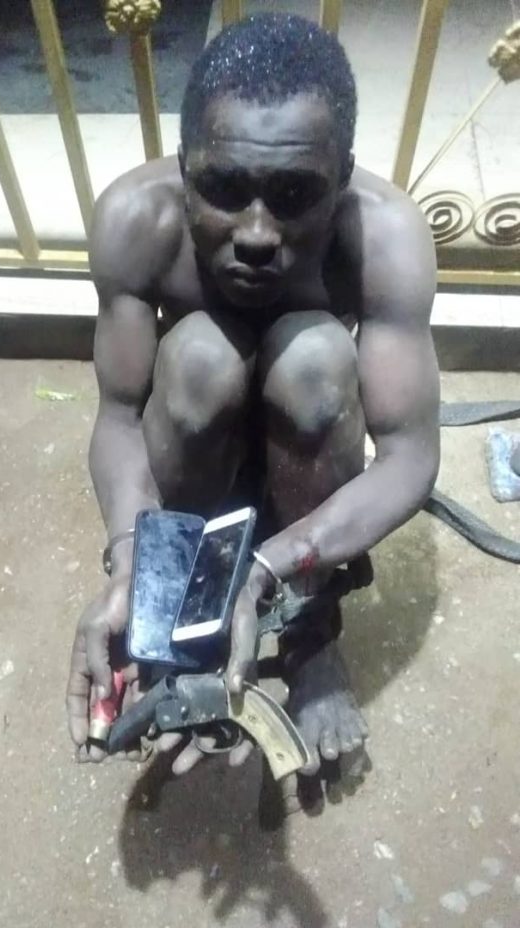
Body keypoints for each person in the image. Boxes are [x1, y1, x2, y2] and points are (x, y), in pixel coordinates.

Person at [66, 12, 440, 780]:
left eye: (296, 194)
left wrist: (275, 567)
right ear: (185, 168)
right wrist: (135, 567)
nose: (258, 232)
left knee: (314, 359)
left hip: (310, 464)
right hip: (196, 445)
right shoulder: (137, 219)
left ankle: (307, 638)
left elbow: (409, 455)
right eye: (224, 188)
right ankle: (181, 608)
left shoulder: (385, 234)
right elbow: (120, 418)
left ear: (342, 178)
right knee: (199, 357)